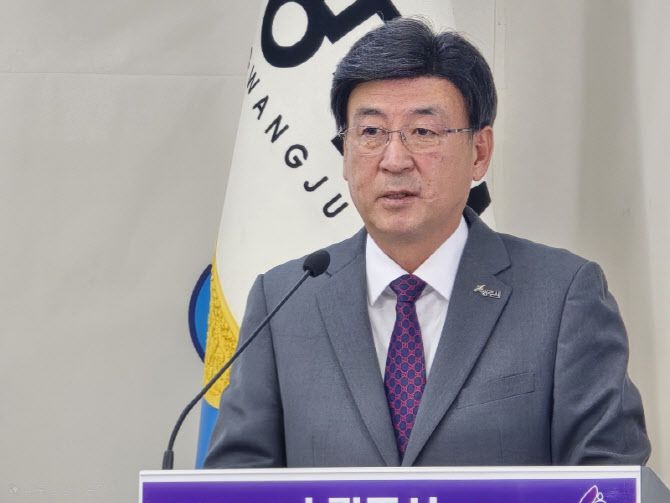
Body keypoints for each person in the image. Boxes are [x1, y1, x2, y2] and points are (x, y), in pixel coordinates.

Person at [204, 17, 650, 468]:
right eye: (371, 133)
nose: (394, 160)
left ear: (479, 152)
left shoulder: (562, 295)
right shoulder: (284, 301)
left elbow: (610, 479)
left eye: (423, 132)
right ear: (345, 152)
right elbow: (236, 482)